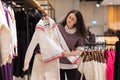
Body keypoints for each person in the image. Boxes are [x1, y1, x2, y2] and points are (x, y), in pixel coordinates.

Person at [57, 10, 87, 80]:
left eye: (72, 19)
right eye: (69, 17)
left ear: (76, 22)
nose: (69, 20)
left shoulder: (79, 34)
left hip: (71, 65)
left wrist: (69, 54)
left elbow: (80, 50)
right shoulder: (59, 28)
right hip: (58, 64)